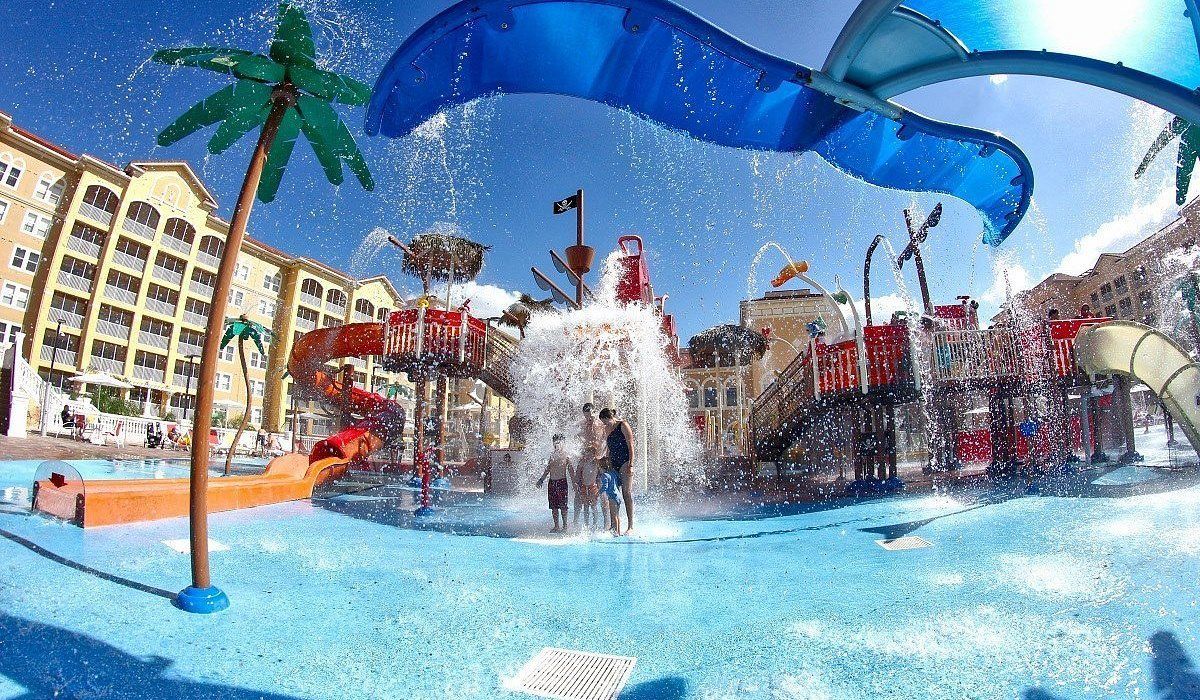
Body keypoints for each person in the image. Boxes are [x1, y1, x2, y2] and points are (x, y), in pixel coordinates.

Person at [600, 407, 636, 535]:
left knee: (626, 492)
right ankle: (615, 526)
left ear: (610, 418)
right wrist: (604, 458)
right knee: (613, 493)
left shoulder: (623, 425)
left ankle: (630, 526)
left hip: (625, 462)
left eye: (605, 421)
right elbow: (608, 447)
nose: (604, 425)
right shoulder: (606, 429)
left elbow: (630, 444)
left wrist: (631, 464)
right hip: (613, 463)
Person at [573, 403, 605, 528]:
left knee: (600, 491)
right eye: (587, 415)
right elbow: (576, 439)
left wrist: (600, 455)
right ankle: (576, 520)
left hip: (596, 458)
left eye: (591, 414)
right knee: (579, 489)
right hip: (585, 457)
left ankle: (606, 522)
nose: (589, 417)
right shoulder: (581, 424)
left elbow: (604, 440)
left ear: (594, 412)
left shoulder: (599, 424)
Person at [536, 434, 572, 533]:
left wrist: (574, 483)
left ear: (563, 443)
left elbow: (571, 470)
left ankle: (565, 526)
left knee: (563, 506)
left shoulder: (567, 455)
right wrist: (541, 479)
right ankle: (556, 526)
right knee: (554, 506)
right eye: (554, 442)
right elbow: (548, 469)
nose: (556, 444)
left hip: (562, 482)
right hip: (552, 482)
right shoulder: (552, 455)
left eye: (558, 442)